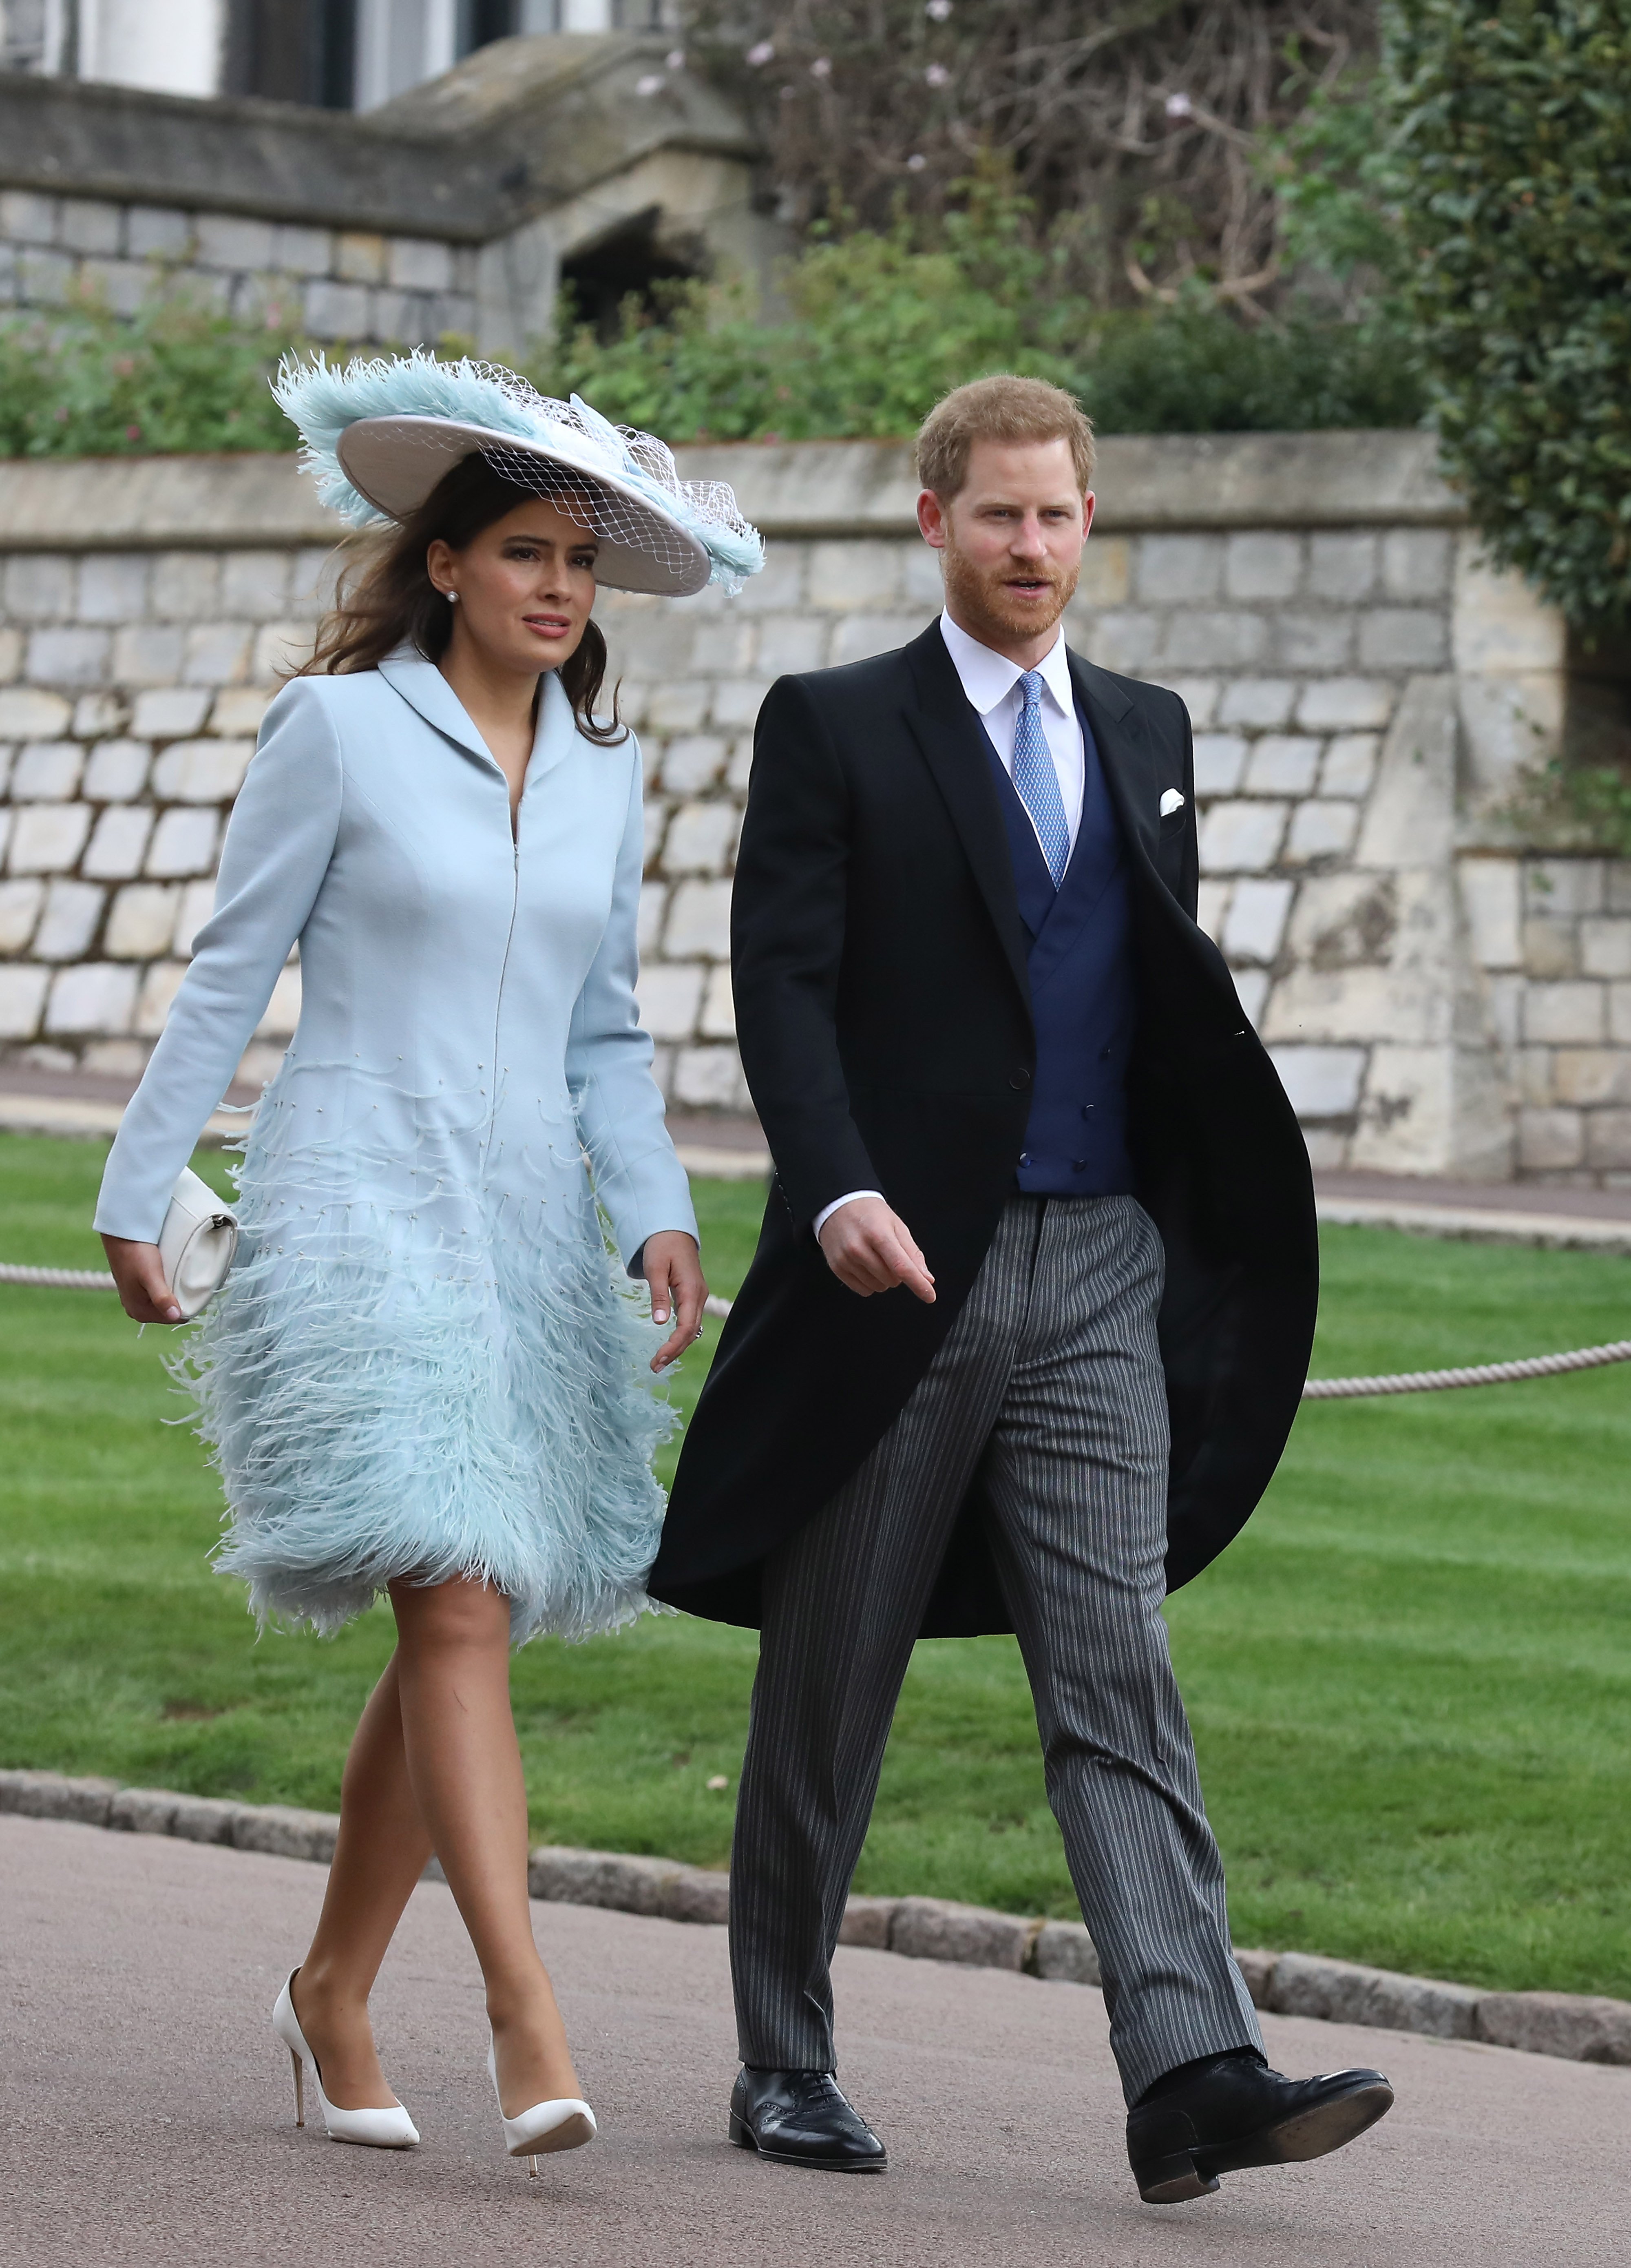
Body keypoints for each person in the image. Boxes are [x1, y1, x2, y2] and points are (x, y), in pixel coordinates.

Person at [649, 374, 1393, 2205]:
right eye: (999, 515)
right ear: (933, 520)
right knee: (834, 1679)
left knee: (1116, 1665)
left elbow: (1141, 995)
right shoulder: (834, 725)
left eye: (1059, 516)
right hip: (890, 1270)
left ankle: (1188, 2064)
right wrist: (829, 1186)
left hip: (1096, 1277)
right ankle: (785, 2051)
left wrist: (1183, 1222)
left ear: (1087, 521)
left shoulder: (1147, 726)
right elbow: (785, 986)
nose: (1033, 548)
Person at [93, 354, 762, 2172]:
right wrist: (135, 1184)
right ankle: (523, 2008)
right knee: (456, 1591)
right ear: (446, 560)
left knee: (459, 1604)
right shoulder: (341, 733)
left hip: (530, 1226)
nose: (559, 587)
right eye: (528, 552)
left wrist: (657, 1202)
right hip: (355, 1196)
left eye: (581, 564)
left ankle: (326, 1986)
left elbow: (608, 1030)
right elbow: (230, 972)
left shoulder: (609, 771)